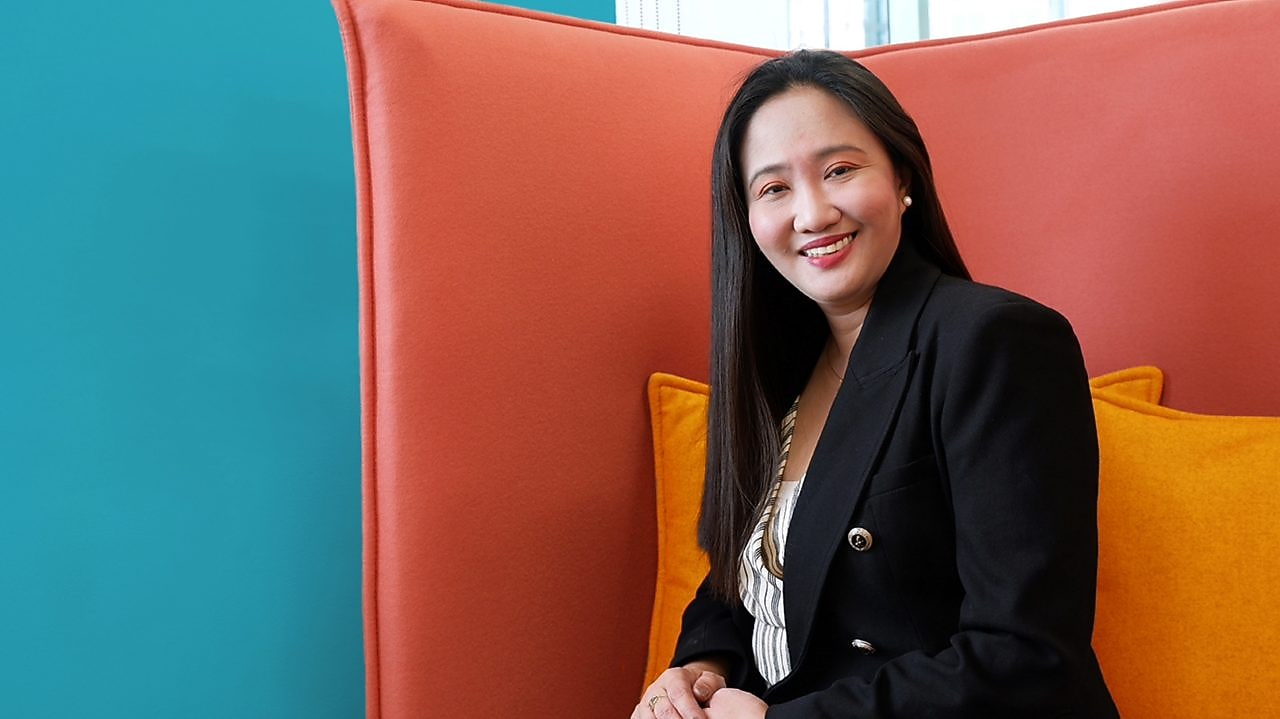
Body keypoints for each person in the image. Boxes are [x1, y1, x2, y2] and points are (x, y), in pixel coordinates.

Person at [633, 50, 1120, 718]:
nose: (812, 213)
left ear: (901, 176)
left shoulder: (995, 341)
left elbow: (1025, 655)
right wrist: (698, 667)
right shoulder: (780, 368)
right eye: (773, 188)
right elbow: (758, 571)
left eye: (839, 170)